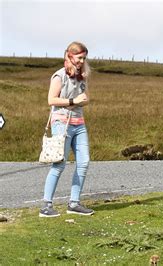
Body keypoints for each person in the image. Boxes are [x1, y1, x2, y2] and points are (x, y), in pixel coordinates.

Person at [39, 41, 94, 217]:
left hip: (79, 123)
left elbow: (85, 98)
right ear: (70, 56)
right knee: (59, 163)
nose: (81, 61)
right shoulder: (59, 76)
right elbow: (51, 100)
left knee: (84, 163)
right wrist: (73, 102)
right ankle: (46, 206)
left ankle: (74, 203)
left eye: (84, 58)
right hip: (61, 123)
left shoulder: (82, 76)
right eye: (79, 58)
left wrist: (83, 100)